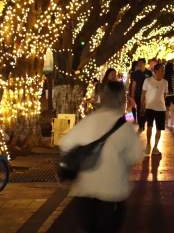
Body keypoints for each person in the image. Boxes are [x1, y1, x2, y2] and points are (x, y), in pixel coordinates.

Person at [60, 81, 142, 233]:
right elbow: (135, 156)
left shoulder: (87, 121)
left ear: (102, 99)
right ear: (121, 100)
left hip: (84, 191)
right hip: (112, 192)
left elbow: (65, 144)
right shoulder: (124, 125)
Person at [141, 63, 168, 156]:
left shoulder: (165, 82)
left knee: (159, 129)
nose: (163, 72)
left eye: (163, 70)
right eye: (161, 70)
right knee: (149, 126)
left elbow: (164, 95)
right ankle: (148, 144)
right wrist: (142, 105)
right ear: (156, 71)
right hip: (149, 107)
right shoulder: (147, 81)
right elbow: (143, 94)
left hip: (161, 108)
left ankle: (155, 146)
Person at [129, 59, 151, 132]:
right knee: (139, 109)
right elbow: (133, 85)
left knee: (145, 109)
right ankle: (140, 125)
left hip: (147, 95)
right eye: (139, 63)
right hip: (138, 94)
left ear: (144, 64)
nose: (140, 64)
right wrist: (132, 95)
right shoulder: (135, 73)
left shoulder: (149, 73)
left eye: (141, 63)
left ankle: (143, 123)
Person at [164, 61, 174, 129]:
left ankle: (166, 123)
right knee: (173, 110)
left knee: (166, 109)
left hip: (166, 95)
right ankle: (172, 123)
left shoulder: (164, 76)